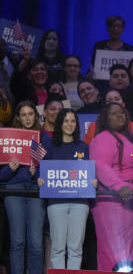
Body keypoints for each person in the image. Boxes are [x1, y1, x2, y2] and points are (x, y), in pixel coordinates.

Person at [89, 102, 133, 272]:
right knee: (115, 251)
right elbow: (99, 165)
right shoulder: (102, 138)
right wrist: (118, 186)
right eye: (114, 114)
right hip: (112, 199)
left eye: (122, 112)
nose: (120, 116)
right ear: (106, 119)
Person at [40, 108, 94, 269]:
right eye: (66, 121)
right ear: (59, 123)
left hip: (80, 203)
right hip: (56, 202)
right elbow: (42, 172)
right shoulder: (49, 147)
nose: (69, 124)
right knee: (57, 249)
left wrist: (93, 182)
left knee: (76, 249)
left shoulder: (84, 147)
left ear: (77, 124)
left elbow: (87, 173)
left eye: (73, 121)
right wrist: (40, 180)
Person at [1, 101, 45, 274]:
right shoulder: (7, 137)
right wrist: (9, 169)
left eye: (31, 114)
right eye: (24, 115)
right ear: (18, 118)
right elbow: (0, 176)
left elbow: (48, 170)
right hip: (14, 190)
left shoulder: (43, 138)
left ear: (36, 115)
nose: (27, 118)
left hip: (35, 191)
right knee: (17, 241)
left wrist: (36, 173)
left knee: (35, 242)